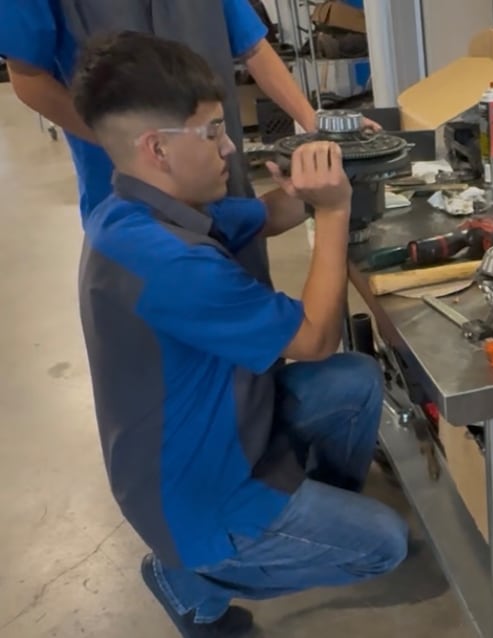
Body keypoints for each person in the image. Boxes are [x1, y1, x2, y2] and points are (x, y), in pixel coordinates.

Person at [72, 31, 407, 638]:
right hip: (199, 496)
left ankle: (303, 522)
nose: (230, 147)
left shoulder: (136, 210)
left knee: (356, 381)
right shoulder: (170, 263)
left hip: (212, 432)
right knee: (385, 544)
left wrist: (309, 188)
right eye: (211, 133)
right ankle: (191, 577)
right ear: (158, 148)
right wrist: (333, 212)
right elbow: (313, 339)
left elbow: (270, 214)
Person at [0, 0, 378, 218]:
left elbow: (253, 46)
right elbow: (27, 77)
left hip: (210, 162)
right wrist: (132, 149)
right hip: (128, 183)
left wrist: (319, 124)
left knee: (238, 268)